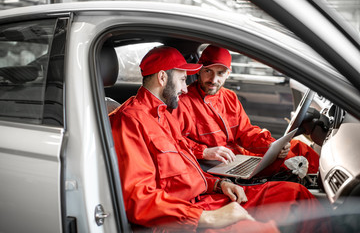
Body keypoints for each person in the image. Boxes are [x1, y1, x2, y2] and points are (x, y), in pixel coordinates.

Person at [109, 46, 328, 232]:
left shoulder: (162, 114)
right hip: (187, 215)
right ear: (162, 77)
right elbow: (139, 199)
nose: (186, 87)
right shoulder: (130, 121)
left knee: (295, 194)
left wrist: (219, 184)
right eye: (184, 79)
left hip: (208, 196)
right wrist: (207, 217)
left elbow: (187, 167)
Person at [174, 45, 320, 176]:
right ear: (199, 70)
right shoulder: (183, 101)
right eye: (208, 71)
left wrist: (270, 145)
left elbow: (246, 132)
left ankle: (320, 185)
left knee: (299, 148)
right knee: (288, 177)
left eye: (220, 73)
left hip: (239, 157)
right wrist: (204, 152)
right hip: (214, 166)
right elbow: (174, 141)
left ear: (228, 74)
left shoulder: (229, 97)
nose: (213, 79)